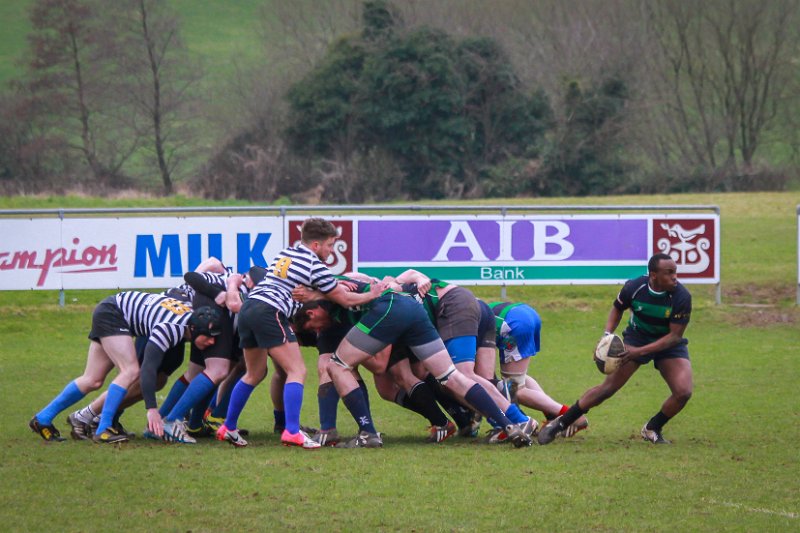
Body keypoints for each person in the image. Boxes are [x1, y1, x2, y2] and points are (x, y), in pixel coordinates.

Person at [215, 218, 385, 449]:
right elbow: (344, 299)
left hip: (249, 308)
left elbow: (309, 286)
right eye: (330, 245)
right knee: (297, 370)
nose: (331, 251)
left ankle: (228, 427)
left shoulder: (285, 254)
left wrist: (328, 288)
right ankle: (292, 432)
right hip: (270, 311)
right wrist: (372, 294)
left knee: (254, 373)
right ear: (316, 245)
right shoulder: (315, 265)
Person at [301, 282, 535, 448]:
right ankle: (508, 425)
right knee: (451, 376)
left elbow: (348, 281)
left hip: (390, 309)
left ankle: (367, 433)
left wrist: (314, 291)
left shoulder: (325, 285)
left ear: (310, 310)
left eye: (312, 327)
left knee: (337, 365)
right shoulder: (329, 298)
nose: (318, 331)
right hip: (412, 309)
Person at [538, 253, 693, 445]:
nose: (674, 277)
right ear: (653, 275)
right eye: (669, 273)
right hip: (637, 338)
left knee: (683, 392)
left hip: (667, 343)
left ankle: (652, 427)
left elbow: (674, 336)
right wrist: (607, 336)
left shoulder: (681, 297)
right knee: (607, 388)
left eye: (675, 272)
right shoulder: (634, 287)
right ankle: (560, 423)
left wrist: (638, 352)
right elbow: (617, 308)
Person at [29, 291, 221, 444]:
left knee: (92, 379)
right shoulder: (170, 328)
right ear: (193, 329)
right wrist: (152, 409)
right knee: (131, 371)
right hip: (114, 314)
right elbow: (148, 368)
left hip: (111, 310)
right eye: (208, 336)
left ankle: (43, 418)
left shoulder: (190, 319)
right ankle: (103, 428)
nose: (212, 342)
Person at [477, 299, 588, 438]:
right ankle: (552, 415)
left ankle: (571, 415)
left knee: (514, 389)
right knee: (519, 379)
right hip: (525, 312)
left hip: (513, 322)